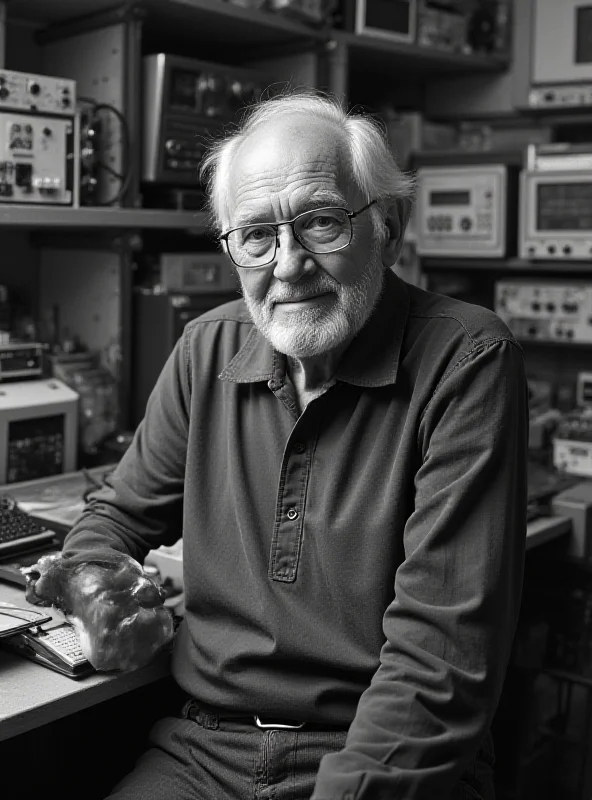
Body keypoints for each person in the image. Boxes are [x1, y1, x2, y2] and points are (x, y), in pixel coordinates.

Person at [54, 90, 528, 799]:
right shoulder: (205, 348)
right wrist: (96, 587)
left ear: (387, 225)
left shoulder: (467, 359)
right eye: (256, 235)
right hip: (203, 749)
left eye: (320, 223)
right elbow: (115, 518)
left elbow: (441, 666)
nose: (288, 264)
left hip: (380, 752)